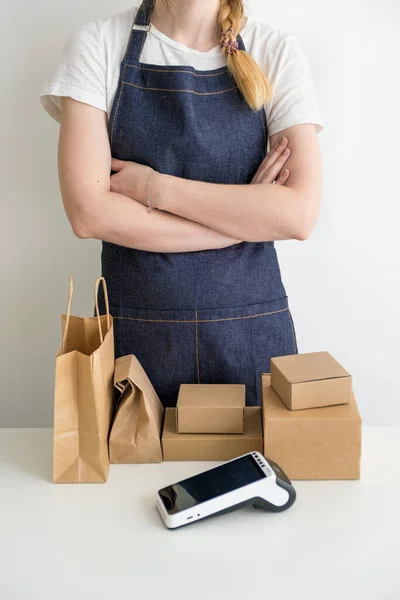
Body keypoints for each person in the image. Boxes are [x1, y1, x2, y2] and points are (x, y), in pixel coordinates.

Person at [40, 0, 324, 407]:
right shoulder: (99, 44)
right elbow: (89, 214)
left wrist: (154, 188)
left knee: (255, 471)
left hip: (251, 338)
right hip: (135, 345)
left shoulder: (275, 50)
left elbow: (297, 215)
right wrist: (240, 222)